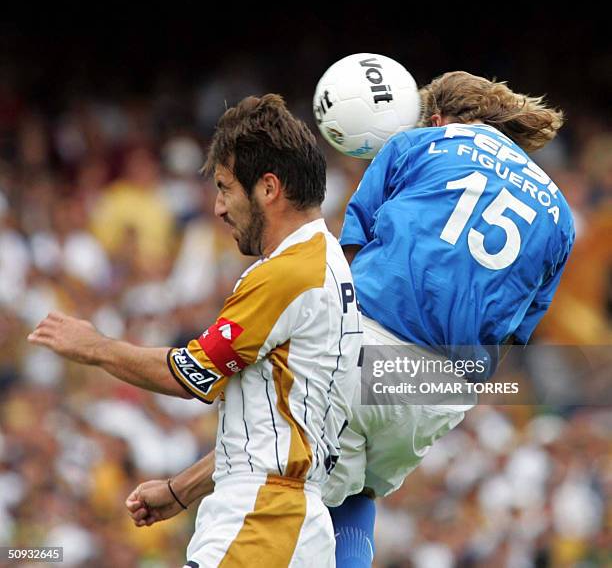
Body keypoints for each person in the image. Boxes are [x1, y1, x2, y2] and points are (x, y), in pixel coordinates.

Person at [121, 72, 574, 567]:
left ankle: (190, 504)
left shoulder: (418, 144)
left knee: (284, 446)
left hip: (371, 341)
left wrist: (181, 487)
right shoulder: (561, 217)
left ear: (440, 119)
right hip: (447, 389)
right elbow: (516, 332)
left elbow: (345, 264)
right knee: (357, 488)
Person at [28, 94, 362, 568]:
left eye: (225, 187)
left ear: (268, 188)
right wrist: (181, 490)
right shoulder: (331, 268)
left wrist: (96, 347)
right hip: (293, 526)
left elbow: (191, 376)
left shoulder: (288, 274)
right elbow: (275, 439)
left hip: (260, 524)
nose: (219, 208)